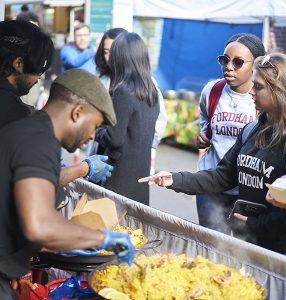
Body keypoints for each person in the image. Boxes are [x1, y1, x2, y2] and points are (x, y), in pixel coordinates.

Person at [140, 53, 286, 259]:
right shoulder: (251, 130)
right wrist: (175, 179)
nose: (251, 91)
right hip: (251, 245)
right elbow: (223, 176)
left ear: (281, 91)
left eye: (258, 87)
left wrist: (255, 225)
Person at [0, 68, 135, 299]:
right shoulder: (38, 141)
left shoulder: (31, 132)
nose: (93, 135)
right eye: (95, 125)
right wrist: (104, 239)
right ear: (78, 112)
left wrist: (72, 240)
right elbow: (39, 225)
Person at [0, 20, 113, 188]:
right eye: (38, 72)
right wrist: (84, 168)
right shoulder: (19, 119)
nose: (38, 79)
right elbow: (38, 189)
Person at [196, 33, 265, 232]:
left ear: (255, 65)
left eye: (238, 62)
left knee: (242, 250)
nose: (229, 66)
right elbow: (204, 115)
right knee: (212, 244)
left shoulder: (262, 98)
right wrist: (204, 134)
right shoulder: (212, 90)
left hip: (246, 190)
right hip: (210, 182)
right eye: (224, 60)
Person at [87, 27, 167, 174]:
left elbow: (115, 137)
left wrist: (94, 132)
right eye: (106, 52)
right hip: (121, 161)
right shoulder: (102, 79)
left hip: (117, 163)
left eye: (114, 51)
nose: (110, 57)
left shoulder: (128, 88)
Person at [94, 32, 160, 205]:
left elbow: (114, 139)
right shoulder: (151, 90)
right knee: (130, 230)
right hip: (139, 178)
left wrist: (96, 130)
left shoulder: (123, 90)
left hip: (118, 176)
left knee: (109, 229)